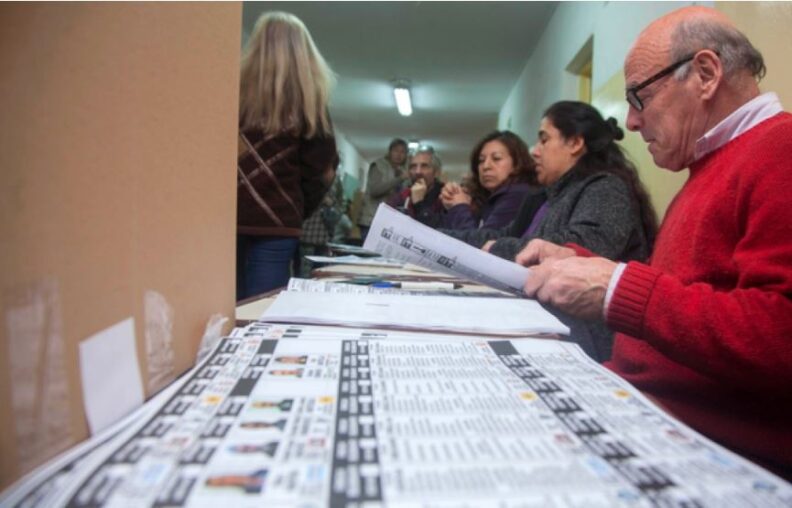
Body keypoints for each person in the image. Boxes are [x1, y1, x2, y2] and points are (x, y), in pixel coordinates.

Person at [519, 6, 792, 479]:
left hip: (709, 452)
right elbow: (689, 291)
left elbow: (781, 334)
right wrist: (581, 262)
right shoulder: (711, 165)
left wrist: (619, 289)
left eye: (639, 97)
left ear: (705, 73)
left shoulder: (780, 151)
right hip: (643, 411)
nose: (631, 120)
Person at [449, 101, 657, 265]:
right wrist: (438, 240)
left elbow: (580, 248)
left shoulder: (606, 188)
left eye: (544, 140)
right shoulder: (550, 195)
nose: (535, 151)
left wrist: (498, 249)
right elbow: (503, 235)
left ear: (575, 143)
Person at [236, 12, 337, 300]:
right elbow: (323, 170)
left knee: (225, 301)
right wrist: (297, 207)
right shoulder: (311, 104)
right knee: (263, 307)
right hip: (279, 221)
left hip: (226, 219)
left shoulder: (230, 96)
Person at [440, 130, 538, 230]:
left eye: (496, 158)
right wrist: (453, 204)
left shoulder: (517, 194)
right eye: (481, 161)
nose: (486, 166)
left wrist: (460, 207)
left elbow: (477, 242)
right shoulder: (486, 197)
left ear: (517, 164)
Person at [358, 138, 409, 240]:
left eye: (402, 152)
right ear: (390, 152)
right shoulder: (378, 166)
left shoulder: (405, 171)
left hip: (392, 222)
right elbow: (375, 190)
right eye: (396, 151)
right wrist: (399, 179)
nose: (399, 155)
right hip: (372, 220)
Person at [388, 146, 446, 228]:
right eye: (413, 167)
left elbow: (441, 232)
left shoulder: (446, 197)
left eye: (424, 166)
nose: (418, 172)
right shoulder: (402, 196)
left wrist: (419, 204)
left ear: (436, 172)